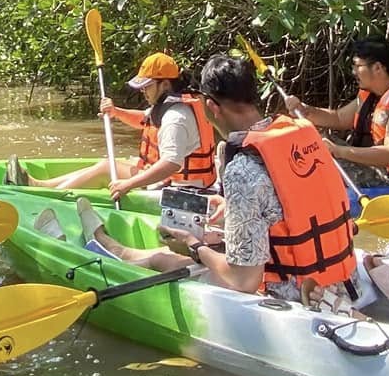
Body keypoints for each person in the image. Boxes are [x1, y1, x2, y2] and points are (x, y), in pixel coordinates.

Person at [80, 52, 364, 306]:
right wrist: (230, 204)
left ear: (211, 106)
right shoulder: (304, 136)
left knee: (162, 258)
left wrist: (194, 245)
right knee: (217, 243)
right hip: (345, 283)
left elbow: (243, 282)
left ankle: (107, 248)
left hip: (290, 295)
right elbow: (292, 203)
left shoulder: (243, 168)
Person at [29, 53, 219, 200]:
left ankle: (50, 196)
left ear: (165, 84)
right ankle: (43, 186)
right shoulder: (172, 105)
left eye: (147, 86)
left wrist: (127, 185)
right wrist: (116, 112)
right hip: (176, 180)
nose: (143, 91)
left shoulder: (175, 117)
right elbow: (143, 120)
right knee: (107, 164)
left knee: (105, 169)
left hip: (181, 190)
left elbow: (170, 164)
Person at [285, 39, 389, 189]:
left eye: (358, 66)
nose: (353, 72)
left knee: (318, 168)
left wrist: (340, 151)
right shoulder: (374, 93)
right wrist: (304, 110)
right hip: (383, 170)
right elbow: (338, 118)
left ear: (377, 68)